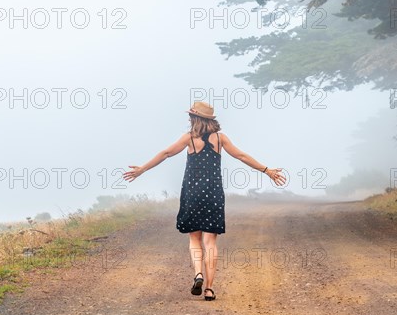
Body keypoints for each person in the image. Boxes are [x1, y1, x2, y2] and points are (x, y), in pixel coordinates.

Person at [122, 101, 286, 301]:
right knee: (210, 242)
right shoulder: (220, 139)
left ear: (194, 118)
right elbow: (241, 156)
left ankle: (198, 274)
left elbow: (165, 153)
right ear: (211, 120)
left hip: (192, 193)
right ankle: (209, 289)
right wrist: (267, 170)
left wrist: (141, 170)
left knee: (194, 239)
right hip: (214, 194)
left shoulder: (189, 139)